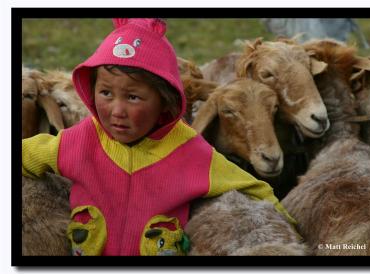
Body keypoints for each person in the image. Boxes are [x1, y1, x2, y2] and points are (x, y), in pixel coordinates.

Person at [22, 18, 296, 256]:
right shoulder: (81, 139)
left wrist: (293, 230)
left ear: (165, 102)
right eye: (105, 93)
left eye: (133, 97)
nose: (116, 111)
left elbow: (255, 189)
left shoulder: (190, 151)